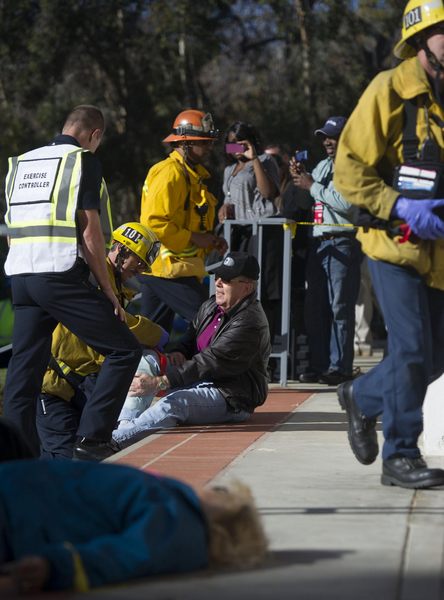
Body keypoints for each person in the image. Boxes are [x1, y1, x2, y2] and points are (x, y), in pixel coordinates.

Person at [333, 0, 444, 489]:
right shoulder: (389, 90)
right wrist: (400, 206)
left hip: (439, 256)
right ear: (423, 40)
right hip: (392, 246)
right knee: (413, 349)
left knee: (432, 359)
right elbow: (348, 170)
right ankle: (400, 456)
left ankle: (362, 397)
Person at [2, 105, 142, 458]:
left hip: (21, 277)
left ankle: (16, 457)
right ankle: (92, 438)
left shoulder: (21, 163)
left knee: (24, 371)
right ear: (94, 135)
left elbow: (12, 231)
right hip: (61, 275)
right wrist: (108, 290)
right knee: (124, 349)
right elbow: (91, 233)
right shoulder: (82, 161)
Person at [0, 458, 267, 593]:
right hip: (23, 492)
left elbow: (127, 555)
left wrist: (57, 567)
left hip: (20, 512)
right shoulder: (174, 501)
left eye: (222, 492)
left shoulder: (183, 526)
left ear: (223, 519)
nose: (211, 488)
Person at [36, 222, 167, 460]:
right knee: (64, 459)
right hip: (54, 387)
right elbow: (119, 320)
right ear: (121, 250)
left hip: (79, 385)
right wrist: (157, 334)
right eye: (138, 262)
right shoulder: (93, 278)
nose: (140, 270)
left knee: (89, 456)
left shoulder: (112, 284)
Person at [113, 252, 271, 446]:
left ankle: (116, 440)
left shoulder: (250, 322)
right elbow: (190, 338)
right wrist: (179, 352)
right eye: (218, 276)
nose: (219, 283)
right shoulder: (211, 305)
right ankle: (123, 428)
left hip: (231, 395)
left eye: (227, 280)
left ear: (247, 287)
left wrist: (161, 381)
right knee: (146, 360)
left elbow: (210, 361)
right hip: (199, 380)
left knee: (175, 403)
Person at [138, 109, 227, 332]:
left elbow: (188, 219)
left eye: (210, 142)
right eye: (204, 142)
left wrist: (208, 241)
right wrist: (196, 238)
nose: (209, 147)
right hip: (168, 270)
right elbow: (154, 224)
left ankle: (147, 366)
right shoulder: (171, 174)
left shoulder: (190, 175)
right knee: (213, 323)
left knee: (153, 335)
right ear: (185, 143)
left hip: (169, 269)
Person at [289, 116, 361, 386]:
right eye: (324, 137)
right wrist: (299, 177)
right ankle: (321, 365)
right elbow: (308, 198)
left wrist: (312, 186)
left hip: (342, 240)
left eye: (333, 136)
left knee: (340, 307)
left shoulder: (353, 165)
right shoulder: (321, 166)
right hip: (318, 243)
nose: (328, 142)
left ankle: (340, 367)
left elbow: (346, 203)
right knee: (316, 307)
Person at [219, 122, 281, 353]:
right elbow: (228, 200)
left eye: (241, 143)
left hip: (264, 233)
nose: (236, 149)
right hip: (239, 234)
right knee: (239, 289)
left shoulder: (265, 162)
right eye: (231, 144)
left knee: (263, 290)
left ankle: (267, 350)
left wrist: (254, 158)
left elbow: (269, 193)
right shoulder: (228, 171)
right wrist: (223, 210)